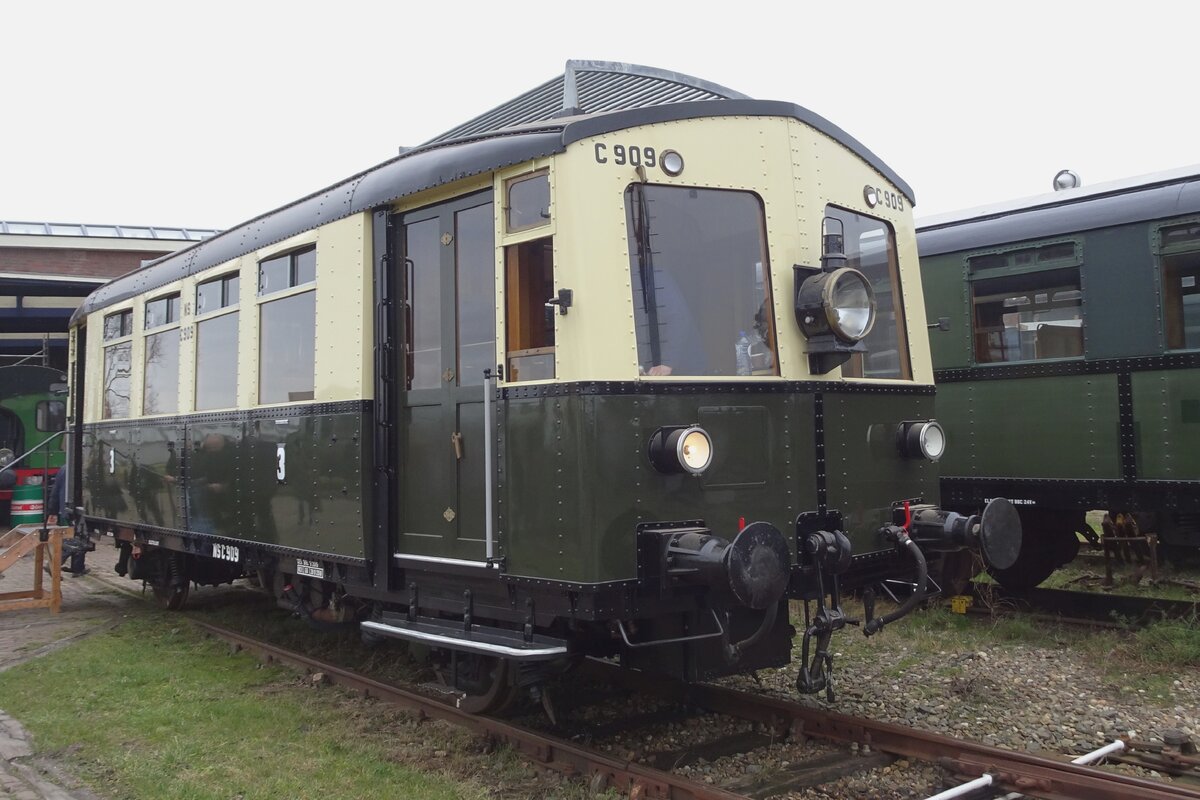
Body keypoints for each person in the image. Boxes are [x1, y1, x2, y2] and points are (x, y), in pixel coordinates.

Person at [46, 469, 88, 576]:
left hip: (66, 509)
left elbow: (55, 491)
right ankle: (55, 563)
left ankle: (77, 568)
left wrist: (52, 511)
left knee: (77, 536)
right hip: (77, 508)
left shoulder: (63, 469)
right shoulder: (80, 467)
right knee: (79, 539)